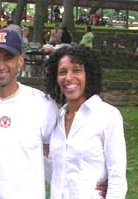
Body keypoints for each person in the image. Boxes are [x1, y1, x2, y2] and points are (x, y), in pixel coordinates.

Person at [0, 28, 59, 199]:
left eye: (8, 57)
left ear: (20, 60)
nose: (0, 65)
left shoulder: (42, 103)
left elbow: (59, 157)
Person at [45, 44, 128, 198]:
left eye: (76, 70)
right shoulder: (57, 119)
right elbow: (57, 176)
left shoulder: (107, 116)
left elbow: (117, 179)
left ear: (88, 74)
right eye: (62, 72)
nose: (69, 77)